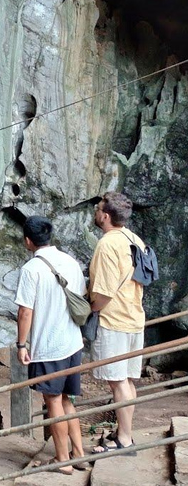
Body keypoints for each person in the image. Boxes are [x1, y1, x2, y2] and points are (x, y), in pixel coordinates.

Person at [14, 216, 87, 474]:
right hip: (73, 343)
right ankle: (78, 454)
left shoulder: (31, 269)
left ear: (27, 240)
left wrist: (21, 344)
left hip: (49, 345)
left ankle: (62, 459)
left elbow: (25, 312)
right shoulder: (70, 262)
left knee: (53, 400)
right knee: (67, 399)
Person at [89, 192, 146, 455]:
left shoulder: (107, 244)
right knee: (127, 381)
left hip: (114, 320)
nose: (96, 212)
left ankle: (124, 440)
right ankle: (125, 434)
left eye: (98, 208)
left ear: (106, 216)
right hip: (134, 316)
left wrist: (90, 309)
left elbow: (104, 291)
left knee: (118, 382)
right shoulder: (134, 239)